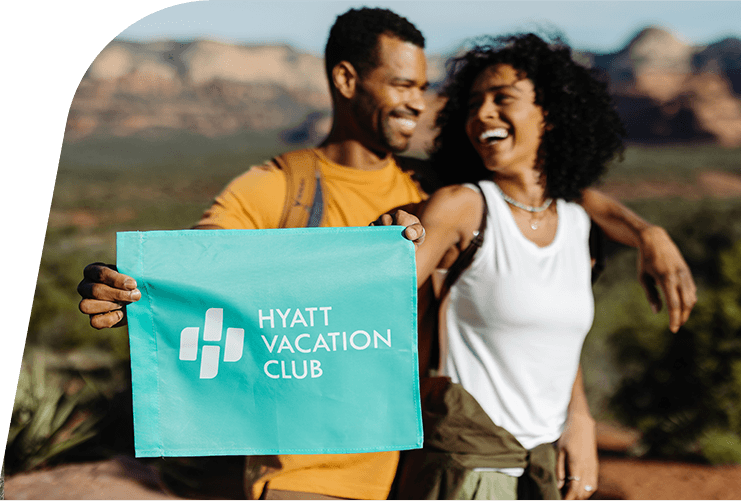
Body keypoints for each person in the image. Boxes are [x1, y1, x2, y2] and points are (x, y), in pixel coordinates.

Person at [77, 8, 695, 501]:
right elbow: (203, 264)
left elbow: (541, 198)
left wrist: (646, 231)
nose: (419, 102)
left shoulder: (430, 185)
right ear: (347, 81)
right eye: (402, 84)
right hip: (308, 466)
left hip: (404, 462)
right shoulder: (278, 185)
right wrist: (135, 289)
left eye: (424, 87)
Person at [391, 32, 696, 500]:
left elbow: (555, 345)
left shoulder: (576, 222)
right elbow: (381, 294)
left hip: (544, 467)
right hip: (469, 466)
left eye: (502, 99)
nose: (482, 114)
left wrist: (579, 418)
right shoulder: (462, 208)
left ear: (550, 114)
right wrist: (388, 243)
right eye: (474, 103)